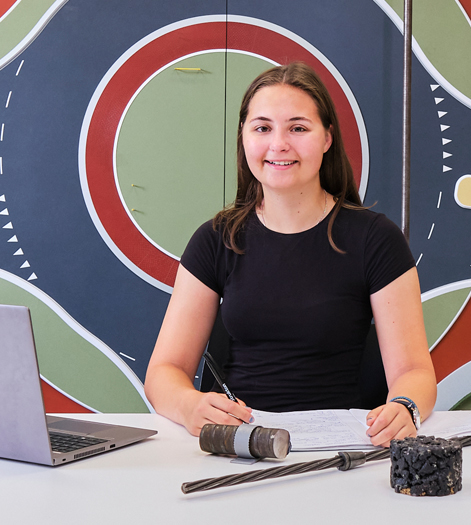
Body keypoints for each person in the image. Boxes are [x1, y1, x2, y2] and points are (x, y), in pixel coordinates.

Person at [144, 63, 435, 447]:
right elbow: (164, 371)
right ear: (244, 137)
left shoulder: (376, 239)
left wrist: (404, 406)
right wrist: (188, 405)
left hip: (345, 450)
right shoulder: (215, 240)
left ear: (327, 138)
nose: (279, 144)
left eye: (298, 128)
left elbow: (414, 371)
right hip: (240, 447)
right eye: (262, 128)